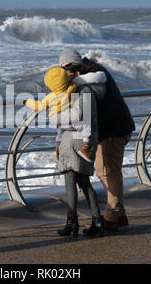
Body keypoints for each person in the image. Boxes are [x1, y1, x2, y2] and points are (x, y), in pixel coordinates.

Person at [59, 49, 136, 232]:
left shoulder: (90, 78)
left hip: (113, 131)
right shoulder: (92, 69)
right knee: (108, 171)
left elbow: (90, 104)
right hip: (117, 127)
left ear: (72, 66)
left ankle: (110, 219)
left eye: (65, 69)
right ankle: (119, 215)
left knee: (107, 172)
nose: (65, 74)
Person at [25, 66, 106, 237]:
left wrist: (54, 121)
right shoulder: (81, 89)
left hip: (73, 139)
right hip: (83, 139)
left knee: (70, 182)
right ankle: (97, 221)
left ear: (75, 71)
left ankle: (72, 223)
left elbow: (75, 117)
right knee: (84, 182)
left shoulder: (80, 91)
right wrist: (58, 141)